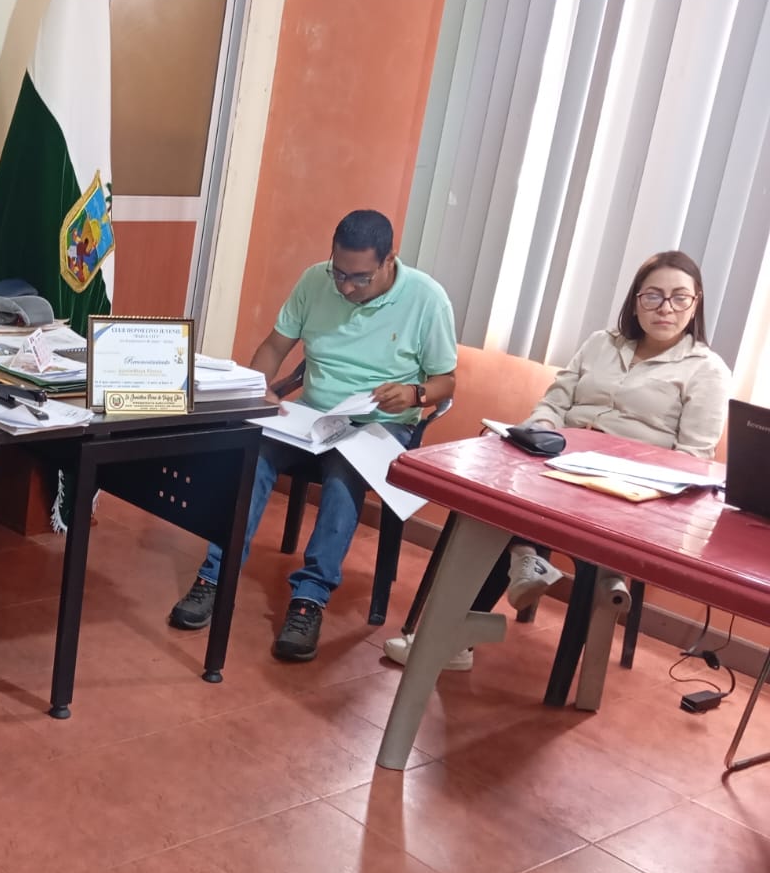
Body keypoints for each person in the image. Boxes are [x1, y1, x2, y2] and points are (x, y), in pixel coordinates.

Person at [384, 249, 731, 671]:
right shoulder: (601, 343)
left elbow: (693, 461)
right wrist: (541, 436)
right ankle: (485, 598)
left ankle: (477, 607)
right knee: (486, 504)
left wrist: (628, 473)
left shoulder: (707, 370)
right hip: (561, 464)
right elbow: (555, 401)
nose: (665, 308)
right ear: (636, 300)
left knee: (510, 518)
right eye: (653, 296)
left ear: (696, 303)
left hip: (629, 492)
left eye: (680, 298)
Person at [168, 209, 457, 661]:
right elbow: (274, 346)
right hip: (312, 416)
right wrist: (258, 387)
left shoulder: (427, 299)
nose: (345, 287)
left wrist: (415, 393)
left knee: (344, 472)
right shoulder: (314, 281)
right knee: (252, 452)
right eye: (338, 272)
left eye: (359, 278)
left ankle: (310, 598)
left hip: (380, 426)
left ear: (388, 260)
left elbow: (446, 382)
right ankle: (215, 575)